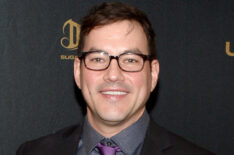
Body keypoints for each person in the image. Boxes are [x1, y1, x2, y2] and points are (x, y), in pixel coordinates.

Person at [17, 2, 214, 155]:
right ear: (78, 71)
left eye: (130, 60)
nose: (113, 75)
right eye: (97, 59)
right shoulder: (33, 152)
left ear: (153, 74)